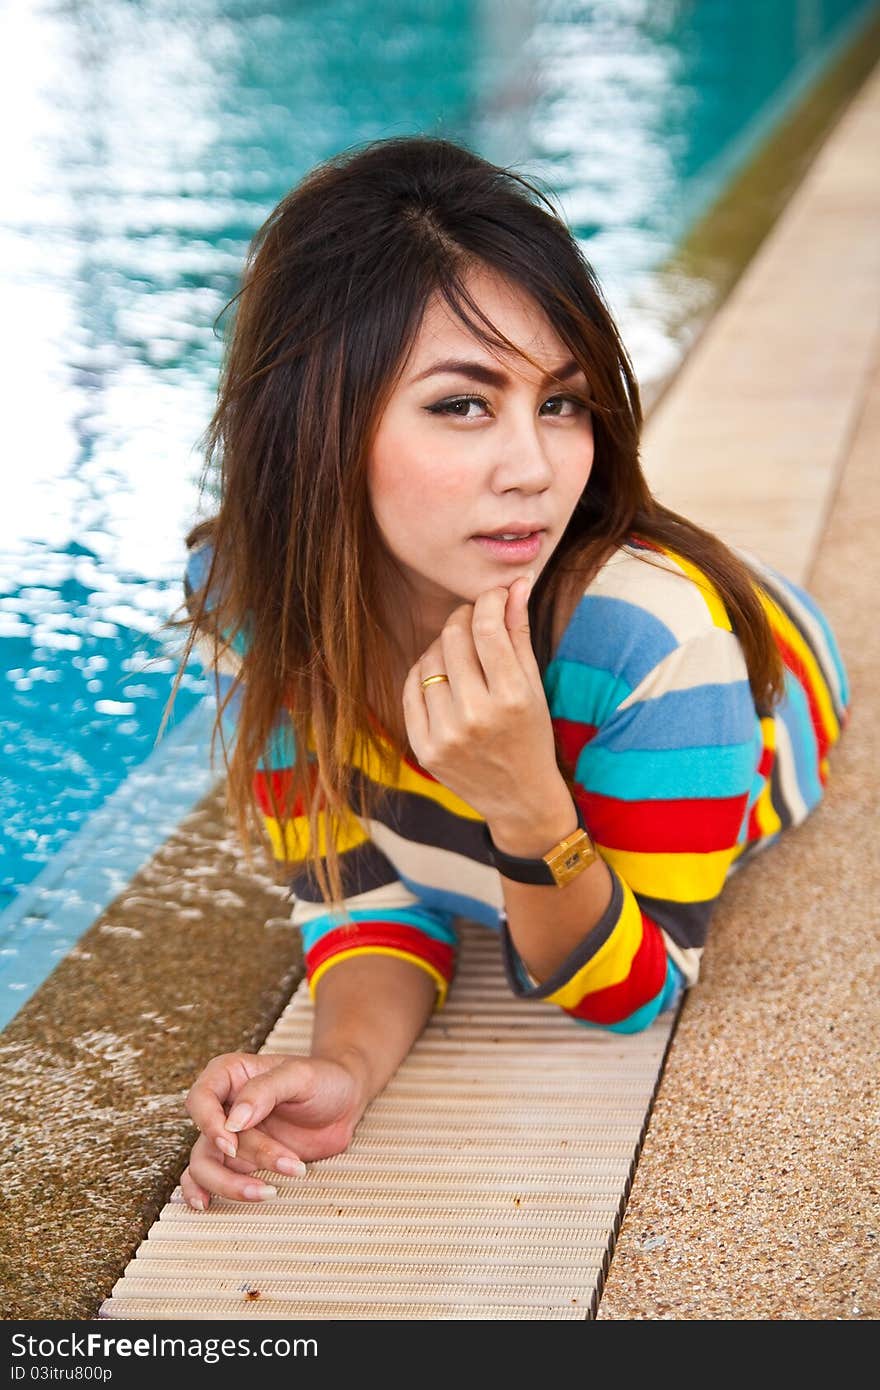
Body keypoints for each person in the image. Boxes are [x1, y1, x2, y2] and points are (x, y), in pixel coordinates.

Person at [163, 135, 850, 1212]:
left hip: (761, 675)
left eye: (562, 402)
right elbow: (363, 884)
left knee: (671, 606)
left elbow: (631, 990)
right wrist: (342, 1068)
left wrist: (528, 804)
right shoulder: (250, 601)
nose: (534, 470)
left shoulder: (661, 650)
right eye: (463, 404)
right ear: (312, 429)